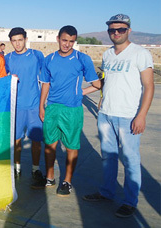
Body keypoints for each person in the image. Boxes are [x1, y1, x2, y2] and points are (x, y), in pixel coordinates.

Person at [82, 14, 154, 218]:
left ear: (128, 30)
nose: (116, 33)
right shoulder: (107, 55)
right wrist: (88, 92)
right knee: (108, 158)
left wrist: (141, 115)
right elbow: (107, 82)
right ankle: (106, 192)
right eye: (112, 30)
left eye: (120, 29)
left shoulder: (140, 54)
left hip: (129, 116)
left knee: (130, 160)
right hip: (106, 114)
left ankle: (130, 202)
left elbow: (149, 86)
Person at [38, 25, 101, 196]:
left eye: (71, 41)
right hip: (52, 108)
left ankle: (67, 181)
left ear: (75, 41)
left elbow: (97, 84)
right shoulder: (49, 59)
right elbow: (45, 83)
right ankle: (50, 178)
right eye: (64, 40)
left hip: (72, 110)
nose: (67, 44)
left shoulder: (83, 59)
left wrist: (82, 92)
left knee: (72, 146)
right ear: (58, 38)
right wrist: (41, 105)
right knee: (49, 145)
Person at [4, 27, 46, 187]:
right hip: (16, 106)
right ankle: (16, 168)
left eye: (20, 40)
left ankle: (36, 168)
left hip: (34, 105)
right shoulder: (7, 58)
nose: (17, 43)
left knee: (36, 140)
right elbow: (3, 79)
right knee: (16, 140)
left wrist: (43, 104)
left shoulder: (36, 55)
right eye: (14, 41)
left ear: (25, 39)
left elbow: (46, 78)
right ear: (11, 42)